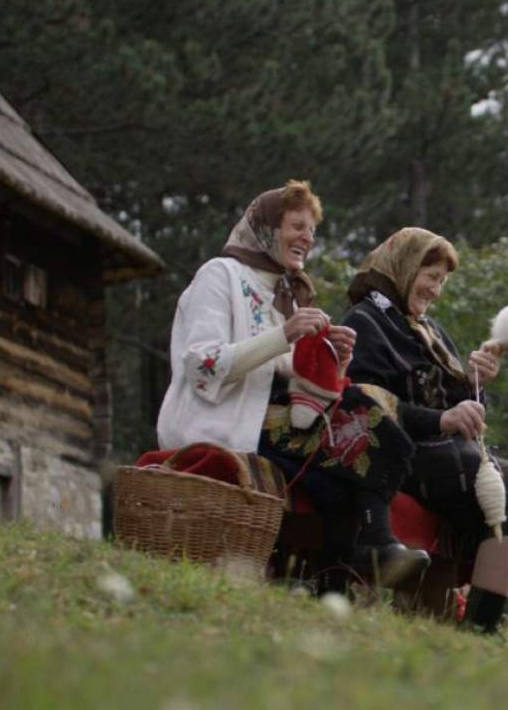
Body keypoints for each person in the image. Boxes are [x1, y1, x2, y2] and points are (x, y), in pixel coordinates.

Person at [156, 180, 429, 579]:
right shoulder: (220, 275)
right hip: (222, 419)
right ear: (266, 227)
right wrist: (285, 334)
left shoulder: (288, 293)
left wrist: (334, 357)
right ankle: (372, 548)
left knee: (354, 448)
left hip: (273, 418)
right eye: (297, 226)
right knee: (362, 426)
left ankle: (335, 582)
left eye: (312, 231)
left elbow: (298, 381)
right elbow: (203, 364)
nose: (307, 238)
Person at [341, 227, 508, 640]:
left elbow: (458, 407)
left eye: (442, 280)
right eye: (430, 276)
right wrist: (441, 420)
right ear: (403, 267)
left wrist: (473, 384)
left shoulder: (430, 331)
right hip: (403, 456)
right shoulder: (365, 322)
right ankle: (480, 627)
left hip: (447, 454)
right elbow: (365, 405)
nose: (436, 291)